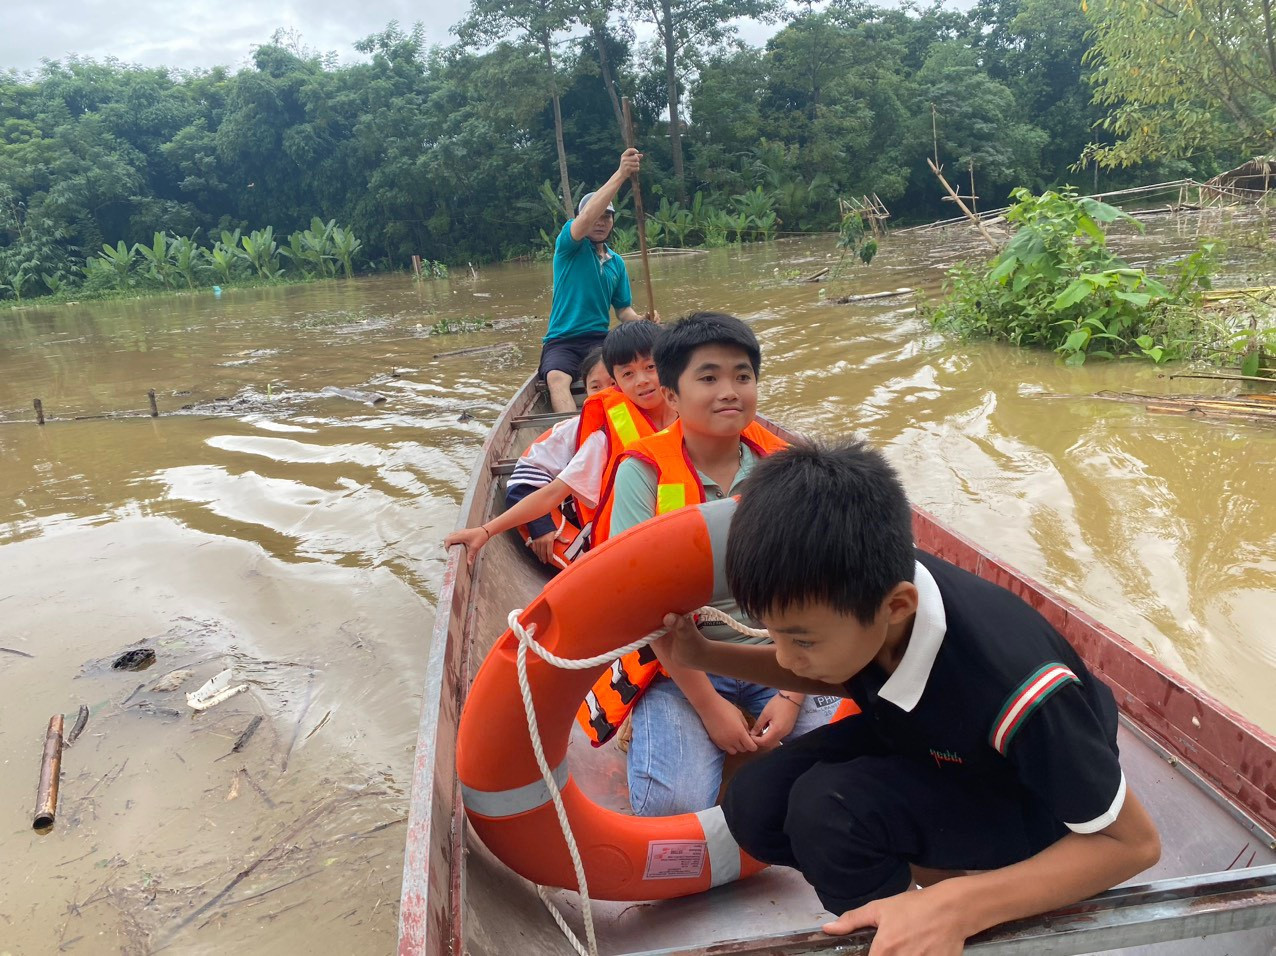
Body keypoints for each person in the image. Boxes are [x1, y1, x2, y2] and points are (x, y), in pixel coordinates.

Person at [656, 440, 1162, 954]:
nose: (784, 661)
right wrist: (705, 654)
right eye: (774, 634)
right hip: (931, 742)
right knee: (755, 801)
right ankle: (912, 892)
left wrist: (962, 904)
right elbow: (839, 669)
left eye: (801, 639)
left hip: (1028, 796)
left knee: (828, 814)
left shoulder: (1021, 690)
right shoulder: (858, 584)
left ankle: (929, 919)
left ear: (897, 607)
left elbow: (1133, 845)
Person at [583, 313, 838, 815]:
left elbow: (820, 592)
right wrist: (711, 707)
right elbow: (641, 604)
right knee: (670, 808)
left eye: (742, 376)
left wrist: (789, 696)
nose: (730, 391)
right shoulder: (643, 473)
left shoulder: (786, 469)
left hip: (786, 655)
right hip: (682, 664)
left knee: (866, 762)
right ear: (672, 397)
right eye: (709, 377)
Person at [446, 321, 674, 565]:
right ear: (617, 381)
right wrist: (487, 530)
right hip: (633, 555)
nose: (641, 380)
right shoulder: (604, 438)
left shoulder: (696, 415)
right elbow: (553, 493)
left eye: (651, 366)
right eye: (628, 373)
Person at [539, 148, 654, 415]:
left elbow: (623, 310)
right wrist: (622, 173)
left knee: (614, 376)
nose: (600, 222)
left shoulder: (616, 262)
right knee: (557, 378)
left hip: (599, 339)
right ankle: (571, 436)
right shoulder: (569, 246)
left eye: (607, 217)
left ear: (613, 221)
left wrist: (644, 324)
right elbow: (586, 218)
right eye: (597, 216)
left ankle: (619, 426)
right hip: (562, 339)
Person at [505, 348, 614, 567]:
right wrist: (541, 524)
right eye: (595, 387)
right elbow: (522, 483)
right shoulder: (574, 430)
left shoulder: (666, 422)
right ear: (585, 391)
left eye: (614, 384)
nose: (606, 393)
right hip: (592, 530)